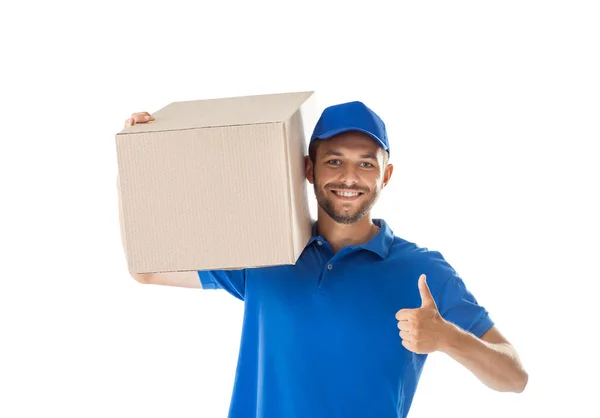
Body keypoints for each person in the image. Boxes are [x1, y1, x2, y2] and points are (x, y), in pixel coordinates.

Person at [119, 101, 528, 418]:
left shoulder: (422, 271)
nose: (349, 177)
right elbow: (148, 268)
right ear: (309, 169)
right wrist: (134, 165)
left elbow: (514, 376)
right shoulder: (265, 251)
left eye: (366, 163)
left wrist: (447, 338)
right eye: (334, 160)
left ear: (385, 176)